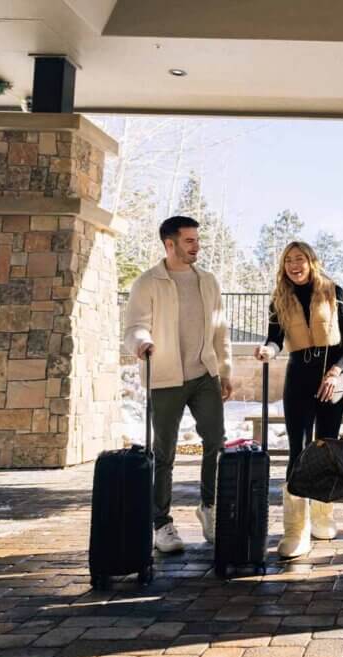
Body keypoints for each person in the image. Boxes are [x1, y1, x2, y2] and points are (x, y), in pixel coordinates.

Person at [123, 216, 233, 553]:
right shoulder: (147, 283)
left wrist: (225, 370)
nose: (196, 246)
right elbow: (134, 327)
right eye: (189, 241)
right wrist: (142, 343)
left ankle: (209, 508)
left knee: (215, 443)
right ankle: (162, 524)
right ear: (169, 244)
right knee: (164, 453)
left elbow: (220, 330)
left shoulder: (208, 281)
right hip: (165, 378)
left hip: (204, 375)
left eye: (197, 239)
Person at [254, 241, 343, 560]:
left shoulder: (335, 291)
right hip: (298, 378)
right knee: (297, 451)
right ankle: (296, 529)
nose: (293, 265)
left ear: (312, 262)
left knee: (326, 448)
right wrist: (268, 350)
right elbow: (275, 338)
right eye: (288, 261)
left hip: (330, 380)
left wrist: (336, 373)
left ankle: (323, 516)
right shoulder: (279, 298)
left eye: (299, 259)